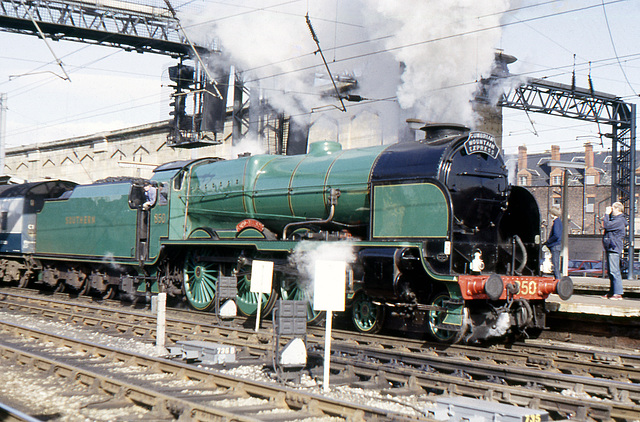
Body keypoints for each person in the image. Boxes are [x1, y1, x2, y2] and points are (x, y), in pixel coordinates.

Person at [601, 201, 627, 300]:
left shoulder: (620, 220)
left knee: (614, 271)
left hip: (614, 247)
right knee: (611, 271)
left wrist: (607, 214)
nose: (611, 210)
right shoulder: (615, 220)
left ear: (617, 209)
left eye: (613, 208)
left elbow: (607, 225)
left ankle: (618, 293)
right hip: (610, 247)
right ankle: (612, 292)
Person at [544, 206, 563, 280]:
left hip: (555, 246)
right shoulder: (558, 222)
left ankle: (558, 280)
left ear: (552, 214)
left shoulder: (556, 222)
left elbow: (556, 235)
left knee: (555, 264)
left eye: (550, 213)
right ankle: (557, 279)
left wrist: (548, 242)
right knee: (555, 264)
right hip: (556, 245)